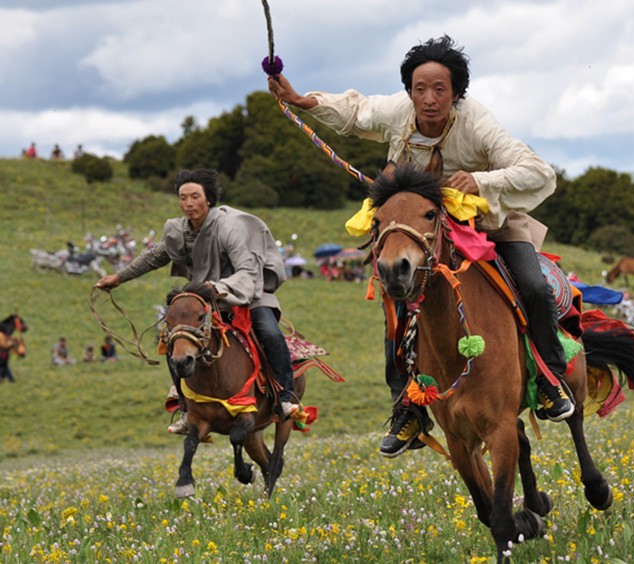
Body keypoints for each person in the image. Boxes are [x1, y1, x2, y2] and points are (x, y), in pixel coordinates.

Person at [268, 35, 575, 458]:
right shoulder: (400, 112)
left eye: (439, 89)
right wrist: (305, 101)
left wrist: (481, 180)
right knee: (395, 308)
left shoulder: (477, 122)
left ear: (456, 92)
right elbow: (357, 111)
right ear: (410, 91)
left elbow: (539, 172)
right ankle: (408, 408)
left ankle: (550, 381)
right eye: (419, 89)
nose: (429, 99)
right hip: (424, 230)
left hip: (489, 224)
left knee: (534, 285)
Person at [95, 169, 299, 434]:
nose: (188, 203)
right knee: (174, 338)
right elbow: (154, 256)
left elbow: (247, 271)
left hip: (246, 293)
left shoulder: (228, 228)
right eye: (183, 198)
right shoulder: (179, 231)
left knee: (269, 332)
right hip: (205, 300)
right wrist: (119, 277)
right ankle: (186, 409)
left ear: (208, 199)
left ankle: (285, 397)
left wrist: (218, 287)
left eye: (194, 197)